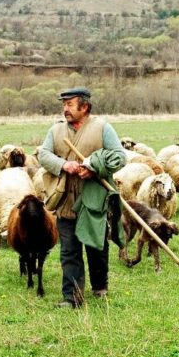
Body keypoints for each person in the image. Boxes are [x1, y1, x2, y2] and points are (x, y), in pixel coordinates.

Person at [39, 87, 126, 308]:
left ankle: (100, 287)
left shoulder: (102, 128)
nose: (65, 109)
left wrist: (95, 168)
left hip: (94, 201)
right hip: (66, 201)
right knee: (69, 251)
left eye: (69, 104)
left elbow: (119, 156)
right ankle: (72, 297)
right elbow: (44, 154)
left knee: (96, 246)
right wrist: (63, 164)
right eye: (64, 104)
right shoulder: (56, 131)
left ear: (84, 106)